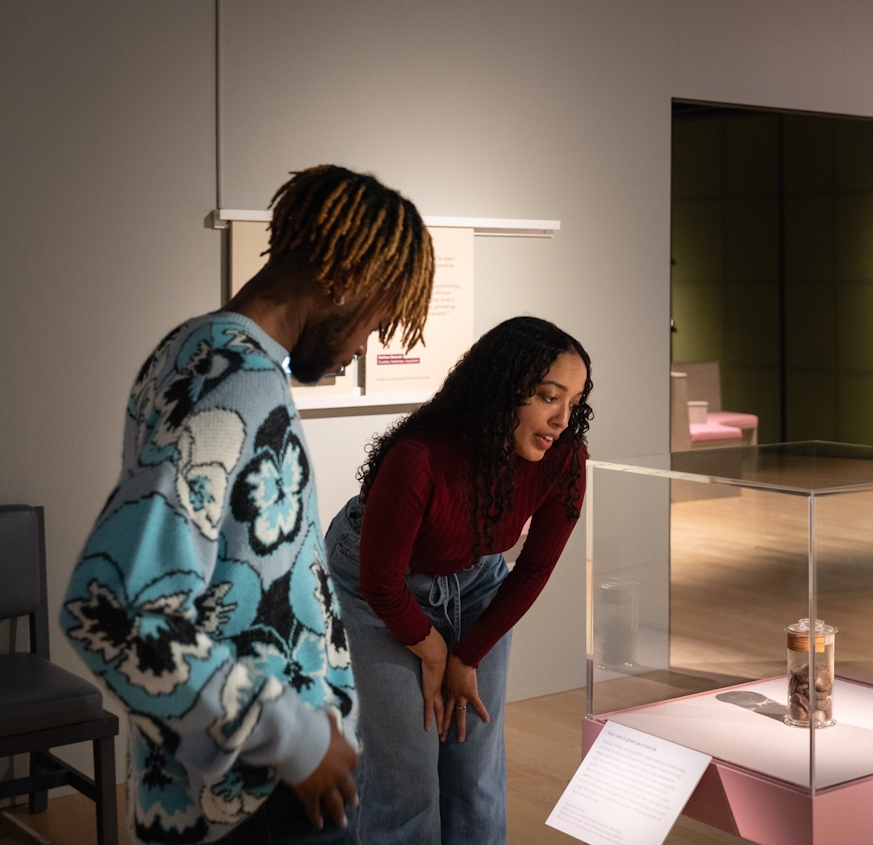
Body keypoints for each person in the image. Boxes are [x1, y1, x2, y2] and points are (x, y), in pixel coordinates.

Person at [61, 164, 435, 843]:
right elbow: (113, 608)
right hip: (254, 801)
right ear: (344, 277)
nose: (370, 342)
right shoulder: (235, 379)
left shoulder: (198, 350)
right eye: (380, 316)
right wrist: (295, 740)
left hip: (235, 786)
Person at [323, 316, 592, 844]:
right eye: (547, 396)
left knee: (476, 765)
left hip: (477, 579)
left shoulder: (566, 459)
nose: (562, 419)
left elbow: (533, 568)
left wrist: (466, 656)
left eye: (574, 402)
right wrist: (434, 653)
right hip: (378, 582)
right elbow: (381, 583)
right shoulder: (419, 459)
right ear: (502, 390)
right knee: (408, 773)